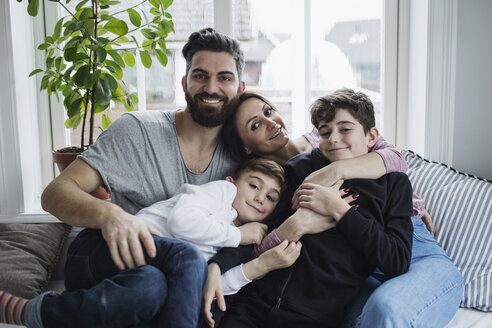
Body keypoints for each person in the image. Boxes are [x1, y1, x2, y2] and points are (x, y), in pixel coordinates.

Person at [0, 27, 247, 328]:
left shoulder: (242, 159)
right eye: (199, 76)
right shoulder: (138, 130)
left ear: (241, 88)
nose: (211, 87)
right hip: (104, 252)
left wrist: (220, 265)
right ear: (184, 83)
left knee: (152, 286)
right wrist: (110, 215)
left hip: (161, 278)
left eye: (224, 77)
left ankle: (31, 313)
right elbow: (56, 192)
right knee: (173, 272)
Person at [205, 90, 463, 327]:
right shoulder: (296, 170)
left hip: (313, 317)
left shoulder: (392, 183)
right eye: (326, 132)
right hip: (255, 305)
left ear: (372, 136)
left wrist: (340, 210)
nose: (334, 138)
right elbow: (257, 233)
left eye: (345, 130)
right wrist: (217, 264)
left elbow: (395, 259)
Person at [136, 157, 303, 296]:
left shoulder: (242, 242)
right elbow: (180, 221)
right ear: (232, 182)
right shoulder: (223, 192)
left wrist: (261, 265)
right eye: (254, 186)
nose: (260, 198)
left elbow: (211, 288)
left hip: (157, 273)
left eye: (270, 197)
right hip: (138, 240)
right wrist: (237, 235)